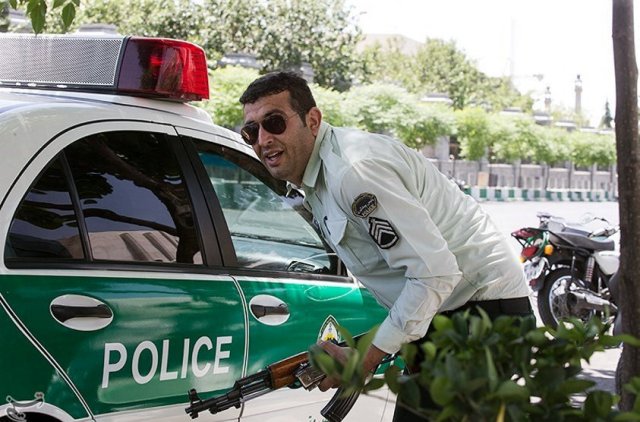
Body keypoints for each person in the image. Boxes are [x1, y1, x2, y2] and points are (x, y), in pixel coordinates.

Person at [239, 71, 533, 421]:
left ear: (312, 120)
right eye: (252, 130)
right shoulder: (316, 181)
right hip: (444, 317)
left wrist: (364, 359)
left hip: (482, 315)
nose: (263, 139)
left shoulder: (354, 172)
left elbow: (434, 274)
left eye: (274, 122)